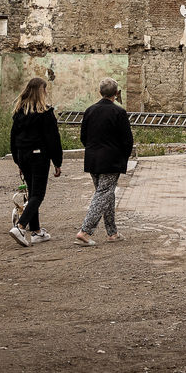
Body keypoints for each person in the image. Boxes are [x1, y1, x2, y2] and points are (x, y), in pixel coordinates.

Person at [76, 77, 133, 247]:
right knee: (103, 194)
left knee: (106, 194)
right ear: (116, 93)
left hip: (93, 159)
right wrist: (123, 157)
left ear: (100, 92)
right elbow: (127, 140)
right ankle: (85, 231)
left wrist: (92, 150)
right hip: (111, 160)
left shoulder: (90, 111)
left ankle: (112, 232)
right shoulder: (119, 112)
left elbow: (83, 137)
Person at [9, 77, 62, 247]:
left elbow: (13, 138)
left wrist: (18, 161)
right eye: (44, 89)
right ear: (41, 92)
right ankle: (20, 226)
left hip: (23, 155)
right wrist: (57, 162)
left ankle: (37, 231)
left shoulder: (19, 112)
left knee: (32, 194)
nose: (46, 92)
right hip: (39, 156)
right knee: (38, 195)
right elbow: (53, 139)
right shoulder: (45, 113)